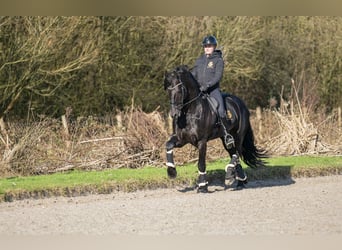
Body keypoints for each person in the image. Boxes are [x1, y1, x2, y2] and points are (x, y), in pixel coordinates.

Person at [191, 35, 234, 147]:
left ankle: (227, 134)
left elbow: (217, 77)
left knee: (220, 110)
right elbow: (194, 74)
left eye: (209, 46)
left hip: (213, 90)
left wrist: (207, 85)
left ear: (214, 47)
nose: (207, 48)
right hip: (200, 91)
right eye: (205, 46)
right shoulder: (199, 60)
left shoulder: (218, 60)